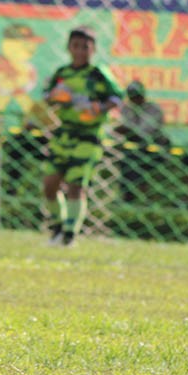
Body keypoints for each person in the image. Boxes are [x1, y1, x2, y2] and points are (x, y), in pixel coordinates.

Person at [40, 26, 123, 246]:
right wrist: (57, 98)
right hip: (64, 132)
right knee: (50, 184)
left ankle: (69, 235)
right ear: (69, 47)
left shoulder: (99, 74)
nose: (80, 51)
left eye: (85, 47)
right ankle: (57, 227)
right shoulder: (62, 74)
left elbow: (117, 99)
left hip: (88, 136)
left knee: (76, 185)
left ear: (93, 49)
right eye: (76, 46)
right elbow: (47, 97)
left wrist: (99, 107)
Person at [114, 80, 169, 202]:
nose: (135, 99)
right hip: (133, 147)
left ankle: (138, 193)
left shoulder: (153, 109)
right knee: (126, 158)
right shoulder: (127, 108)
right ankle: (128, 195)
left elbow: (145, 131)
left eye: (137, 96)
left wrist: (128, 130)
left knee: (134, 159)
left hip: (152, 147)